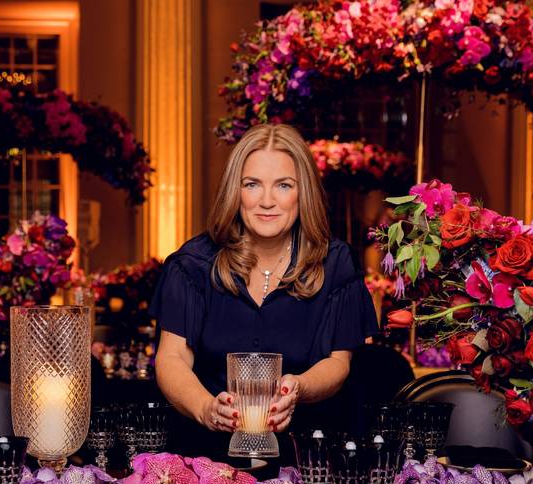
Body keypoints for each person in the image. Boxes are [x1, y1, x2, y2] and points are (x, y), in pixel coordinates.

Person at [150, 123, 379, 459]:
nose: (267, 201)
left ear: (304, 193)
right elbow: (171, 358)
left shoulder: (335, 263)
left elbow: (338, 363)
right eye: (252, 184)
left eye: (283, 185)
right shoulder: (192, 264)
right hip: (206, 459)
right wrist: (206, 408)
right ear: (235, 190)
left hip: (307, 460)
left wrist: (298, 388)